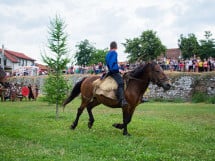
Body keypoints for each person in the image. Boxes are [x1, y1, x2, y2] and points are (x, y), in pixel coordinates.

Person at [105, 41, 128, 108]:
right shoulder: (114, 53)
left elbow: (112, 63)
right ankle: (122, 100)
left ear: (110, 47)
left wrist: (119, 64)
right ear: (116, 47)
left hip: (111, 71)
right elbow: (112, 65)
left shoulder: (108, 53)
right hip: (114, 71)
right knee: (121, 83)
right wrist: (119, 70)